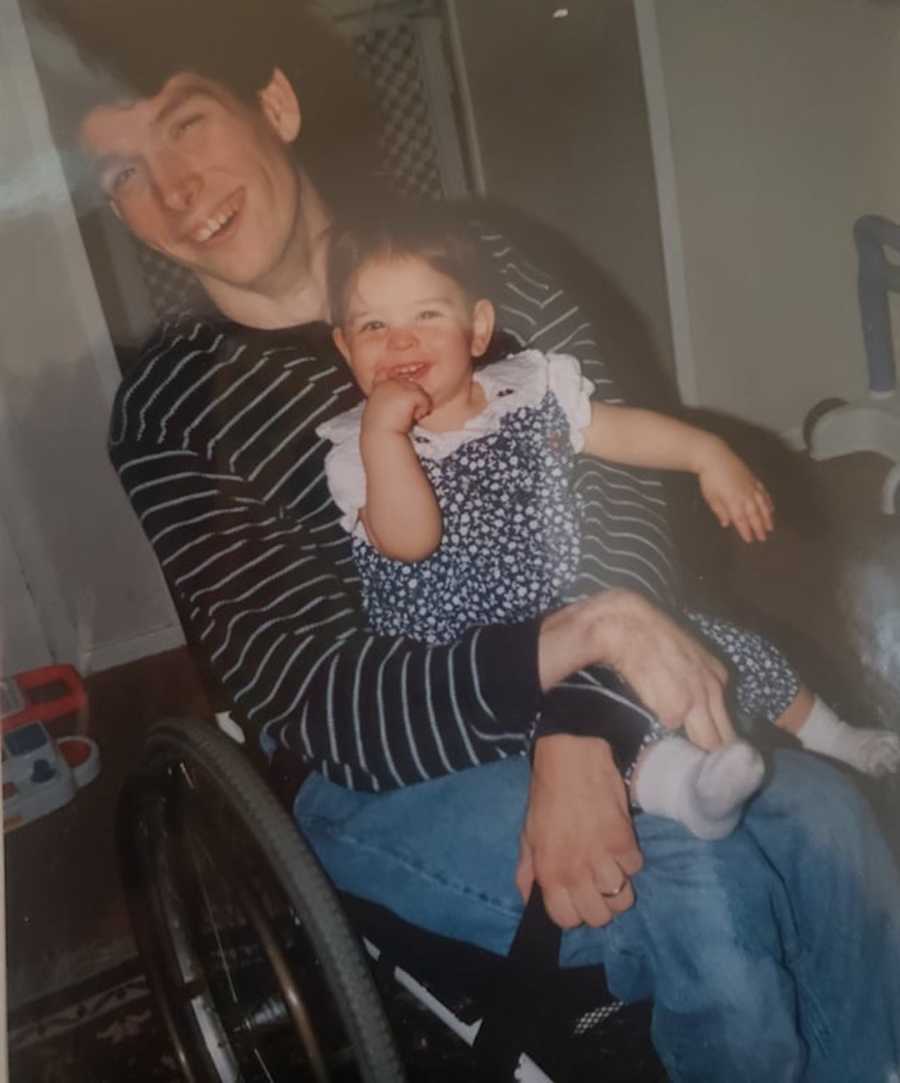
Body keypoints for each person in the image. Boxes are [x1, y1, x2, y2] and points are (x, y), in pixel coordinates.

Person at [39, 0, 900, 1077]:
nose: (172, 192)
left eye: (186, 125)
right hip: (389, 769)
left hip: (608, 688)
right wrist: (568, 681)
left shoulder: (484, 268)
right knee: (697, 879)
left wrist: (582, 720)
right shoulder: (172, 412)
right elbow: (311, 693)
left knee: (826, 820)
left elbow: (623, 496)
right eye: (122, 175)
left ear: (275, 103)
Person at [316, 208, 900, 839]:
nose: (400, 341)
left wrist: (706, 455)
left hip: (573, 601)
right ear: (346, 346)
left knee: (716, 642)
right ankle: (688, 791)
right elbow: (409, 538)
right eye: (373, 325)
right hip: (486, 654)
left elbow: (617, 430)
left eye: (426, 315)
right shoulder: (357, 449)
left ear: (477, 329)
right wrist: (385, 433)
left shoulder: (527, 388)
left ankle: (837, 736)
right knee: (570, 725)